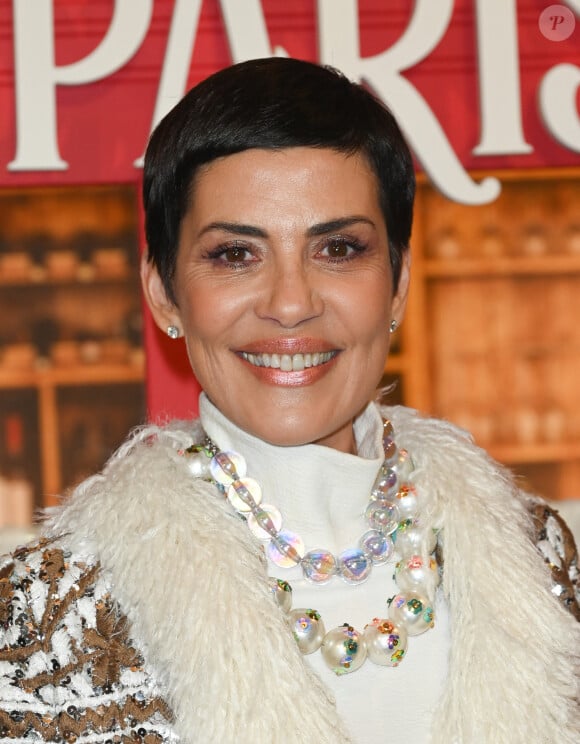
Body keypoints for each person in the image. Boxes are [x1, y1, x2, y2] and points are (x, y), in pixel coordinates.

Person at [0, 57, 578, 744]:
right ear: (162, 294)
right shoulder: (52, 609)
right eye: (235, 255)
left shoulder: (535, 557)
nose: (291, 303)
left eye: (338, 248)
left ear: (397, 283)